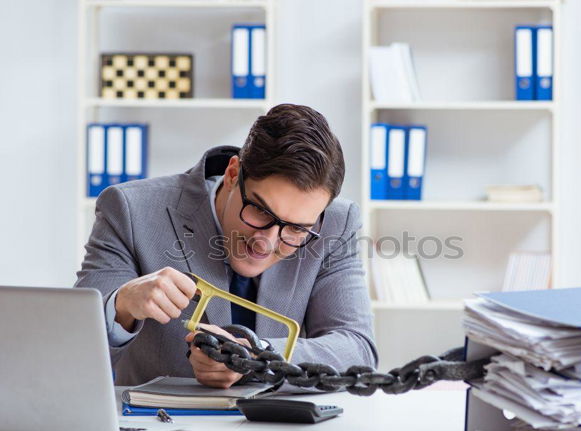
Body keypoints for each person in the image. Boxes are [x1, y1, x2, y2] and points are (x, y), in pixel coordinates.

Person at [75, 103, 377, 388]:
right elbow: (73, 355)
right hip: (163, 430)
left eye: (296, 228)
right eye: (260, 210)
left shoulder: (337, 224)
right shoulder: (130, 210)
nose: (266, 242)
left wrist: (258, 356)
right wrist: (122, 306)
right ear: (233, 174)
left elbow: (357, 349)